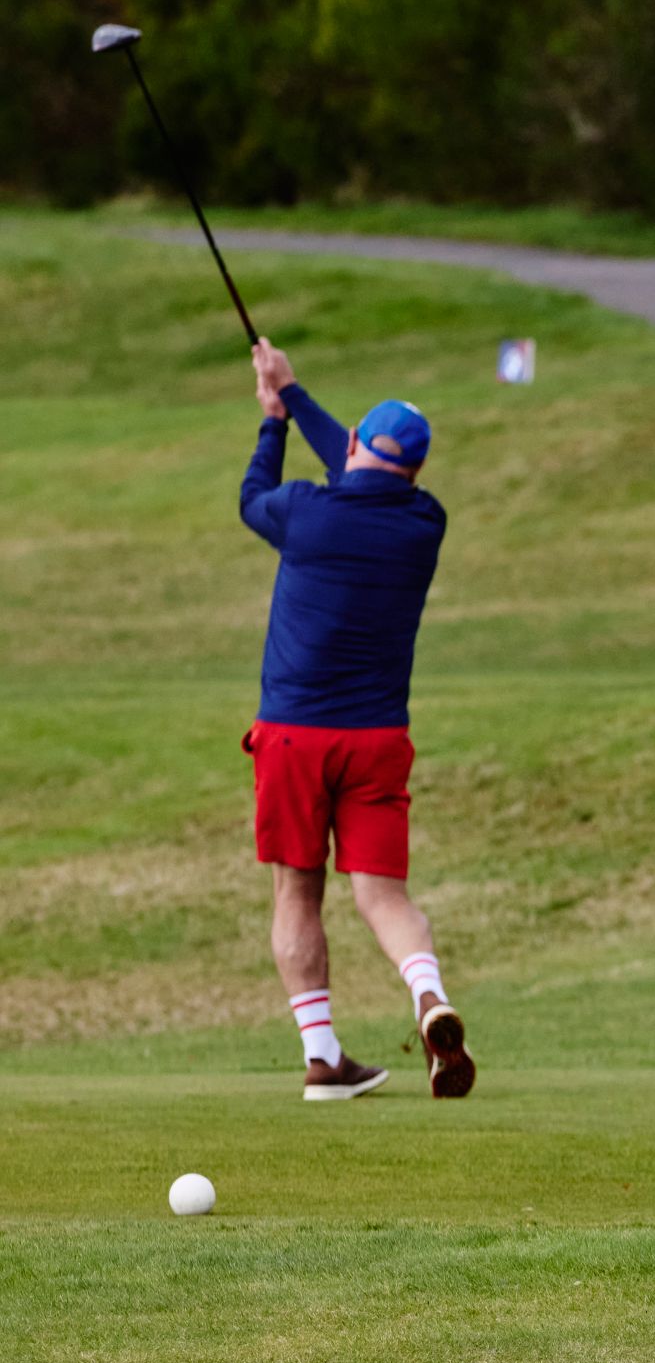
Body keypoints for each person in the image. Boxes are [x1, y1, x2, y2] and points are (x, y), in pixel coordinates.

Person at [240, 338, 476, 1101]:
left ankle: (321, 1055)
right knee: (384, 896)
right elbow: (364, 475)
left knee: (295, 892)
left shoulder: (306, 513)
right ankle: (428, 995)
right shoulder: (423, 523)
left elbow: (253, 499)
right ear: (415, 471)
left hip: (293, 735)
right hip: (376, 739)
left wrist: (274, 420)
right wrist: (296, 392)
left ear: (350, 449)